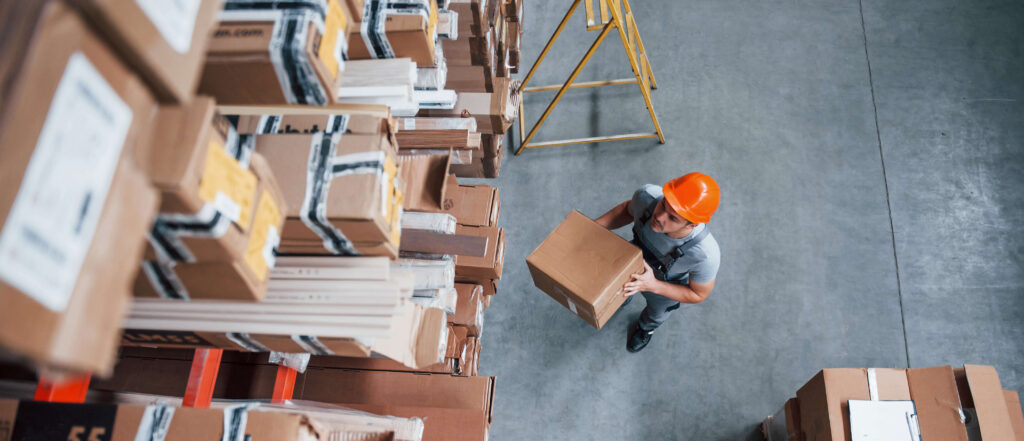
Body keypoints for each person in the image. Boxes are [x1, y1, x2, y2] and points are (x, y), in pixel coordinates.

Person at [594, 173, 721, 352]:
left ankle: (646, 329)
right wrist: (591, 227)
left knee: (657, 314)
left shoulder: (705, 254)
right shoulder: (648, 196)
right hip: (630, 262)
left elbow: (698, 294)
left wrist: (653, 286)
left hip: (664, 287)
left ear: (691, 225)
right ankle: (621, 300)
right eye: (663, 205)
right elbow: (626, 210)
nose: (659, 217)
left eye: (673, 218)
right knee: (618, 288)